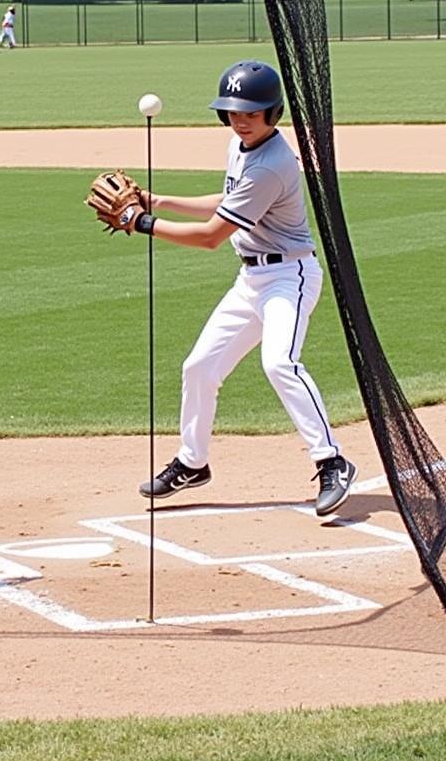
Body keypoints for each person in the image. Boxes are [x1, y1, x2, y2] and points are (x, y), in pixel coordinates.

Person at [115, 60, 357, 517]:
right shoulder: (241, 146)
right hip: (251, 280)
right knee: (199, 367)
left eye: (251, 111)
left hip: (290, 277)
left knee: (279, 363)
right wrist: (158, 200)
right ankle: (192, 462)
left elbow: (210, 236)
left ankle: (333, 461)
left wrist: (143, 223)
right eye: (232, 111)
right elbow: (227, 201)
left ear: (273, 112)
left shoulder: (273, 163)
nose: (240, 119)